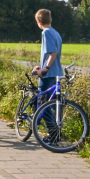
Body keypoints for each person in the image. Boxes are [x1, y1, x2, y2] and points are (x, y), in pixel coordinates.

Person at [32, 9, 62, 141]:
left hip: (49, 74)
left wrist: (45, 68)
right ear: (50, 19)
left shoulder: (46, 33)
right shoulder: (56, 33)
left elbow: (53, 52)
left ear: (39, 22)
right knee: (52, 105)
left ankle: (53, 134)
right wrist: (42, 66)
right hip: (57, 72)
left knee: (43, 104)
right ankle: (57, 133)